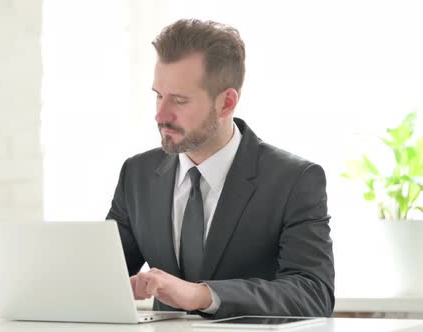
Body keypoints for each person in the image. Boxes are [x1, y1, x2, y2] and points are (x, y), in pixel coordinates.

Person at [106, 19, 334, 319]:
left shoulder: (294, 180)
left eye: (179, 100)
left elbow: (312, 294)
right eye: (158, 95)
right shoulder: (137, 174)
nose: (160, 115)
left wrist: (202, 294)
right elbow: (101, 278)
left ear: (226, 103)